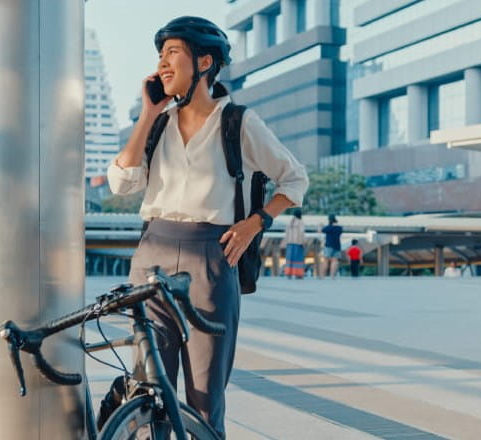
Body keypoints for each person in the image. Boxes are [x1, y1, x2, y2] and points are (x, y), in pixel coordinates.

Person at [106, 16, 309, 438]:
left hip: (211, 258)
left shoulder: (237, 122)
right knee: (148, 386)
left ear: (204, 61)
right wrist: (147, 113)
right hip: (151, 257)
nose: (162, 63)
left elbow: (295, 179)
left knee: (203, 395)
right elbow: (122, 180)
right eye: (159, 55)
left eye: (172, 53)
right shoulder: (159, 123)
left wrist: (256, 222)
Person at [283, 209, 306, 279]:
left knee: (289, 259)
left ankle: (288, 273)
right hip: (298, 243)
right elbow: (302, 233)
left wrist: (286, 242)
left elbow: (286, 233)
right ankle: (298, 274)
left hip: (289, 243)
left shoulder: (289, 222)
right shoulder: (300, 222)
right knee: (298, 259)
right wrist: (304, 242)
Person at [320, 214, 343, 279]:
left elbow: (321, 231)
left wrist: (320, 226)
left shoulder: (328, 227)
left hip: (329, 246)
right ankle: (332, 276)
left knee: (326, 260)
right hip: (337, 246)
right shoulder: (339, 228)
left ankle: (322, 276)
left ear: (329, 220)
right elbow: (340, 231)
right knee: (335, 261)